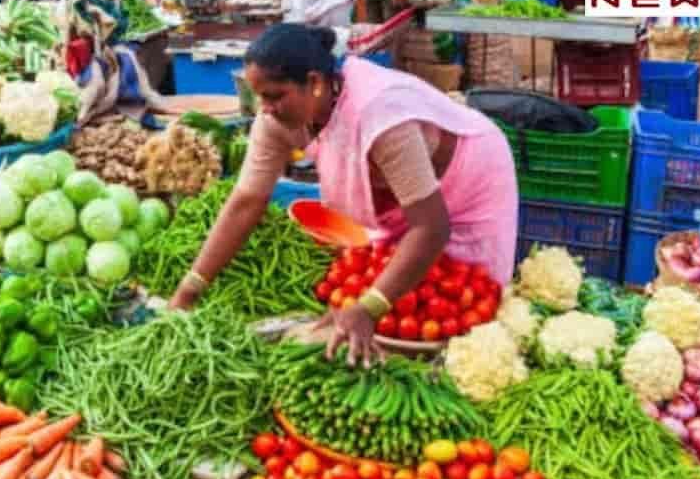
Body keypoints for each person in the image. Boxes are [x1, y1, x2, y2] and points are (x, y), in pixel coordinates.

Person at [169, 24, 518, 365]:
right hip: (400, 196)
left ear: (316, 83)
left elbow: (431, 228)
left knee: (465, 302)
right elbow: (246, 202)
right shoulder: (275, 120)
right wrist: (190, 289)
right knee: (403, 290)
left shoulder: (378, 112)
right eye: (259, 96)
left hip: (469, 176)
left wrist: (368, 308)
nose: (265, 108)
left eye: (275, 96)